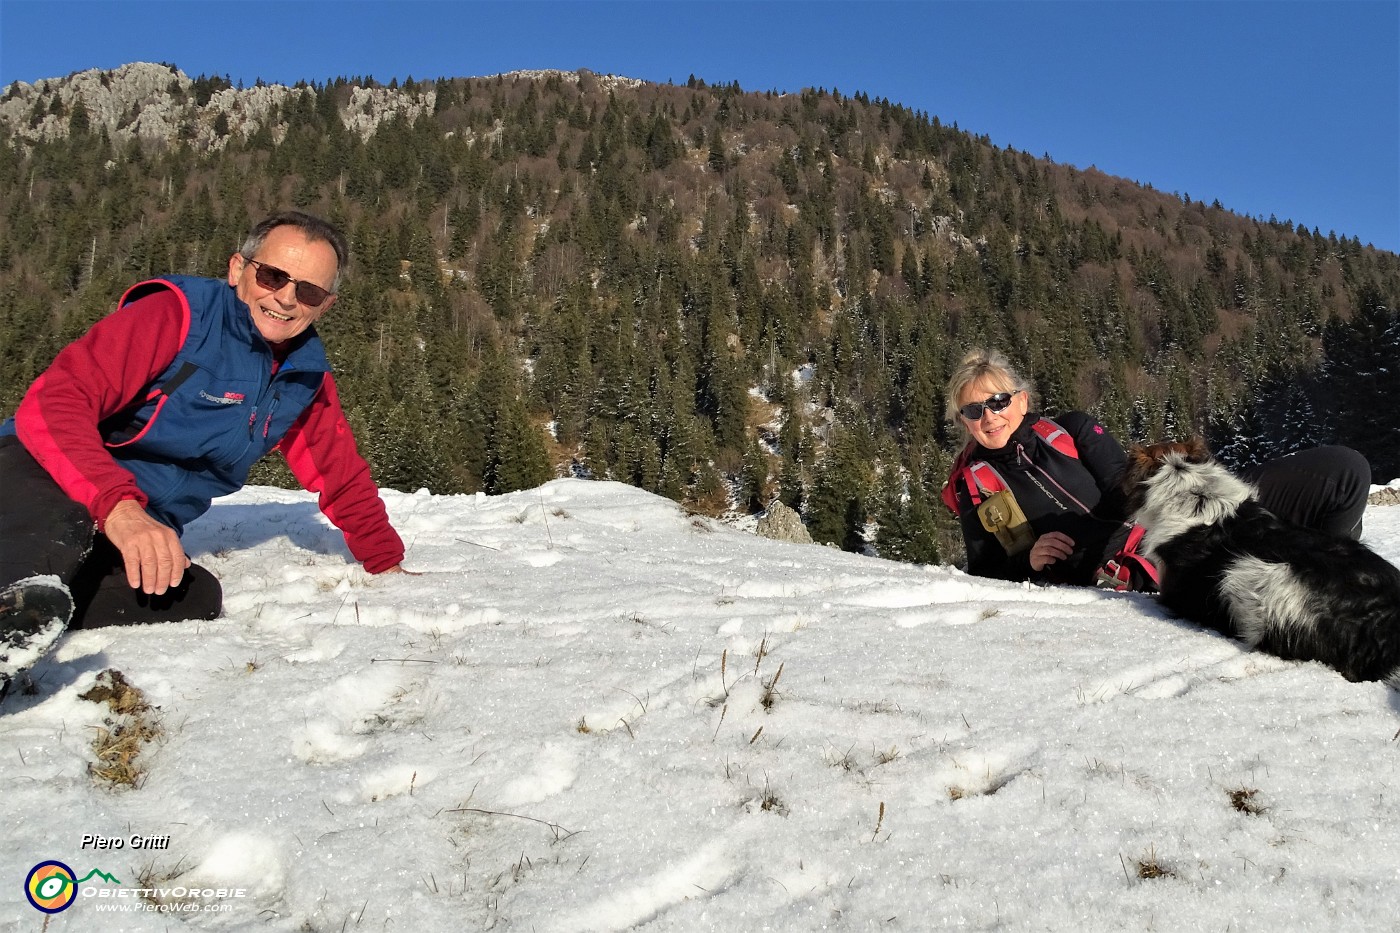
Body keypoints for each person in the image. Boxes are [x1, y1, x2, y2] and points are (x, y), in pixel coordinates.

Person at [1, 211, 409, 689]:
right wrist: (120, 507)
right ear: (238, 269)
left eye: (309, 291)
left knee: (194, 596)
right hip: (41, 474)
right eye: (273, 275)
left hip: (132, 524)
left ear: (326, 306)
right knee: (60, 528)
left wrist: (386, 559)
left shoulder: (303, 377)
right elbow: (54, 404)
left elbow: (339, 473)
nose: (286, 298)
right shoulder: (174, 319)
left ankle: (33, 614)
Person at [940, 348, 1370, 588]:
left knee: (1342, 470)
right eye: (974, 409)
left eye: (998, 401)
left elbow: (1127, 486)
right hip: (1145, 564)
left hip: (1181, 519)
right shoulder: (973, 485)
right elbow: (985, 571)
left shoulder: (1070, 429)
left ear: (1022, 400)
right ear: (962, 420)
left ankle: (1330, 575)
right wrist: (1029, 562)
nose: (989, 416)